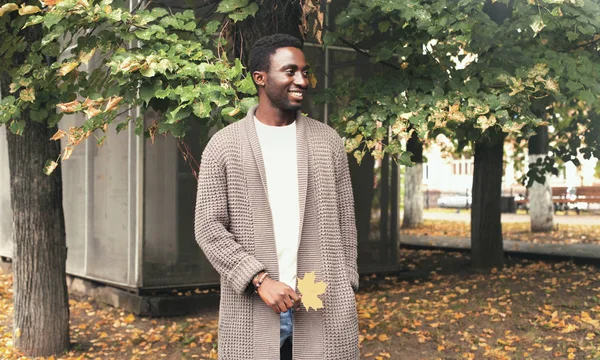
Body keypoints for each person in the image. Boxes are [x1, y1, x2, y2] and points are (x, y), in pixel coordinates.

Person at [194, 33, 359, 360]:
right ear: (260, 78)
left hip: (322, 308)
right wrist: (258, 279)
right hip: (254, 308)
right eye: (290, 71)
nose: (302, 80)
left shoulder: (328, 143)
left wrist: (347, 282)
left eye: (304, 71)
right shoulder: (224, 147)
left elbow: (346, 222)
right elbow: (208, 228)